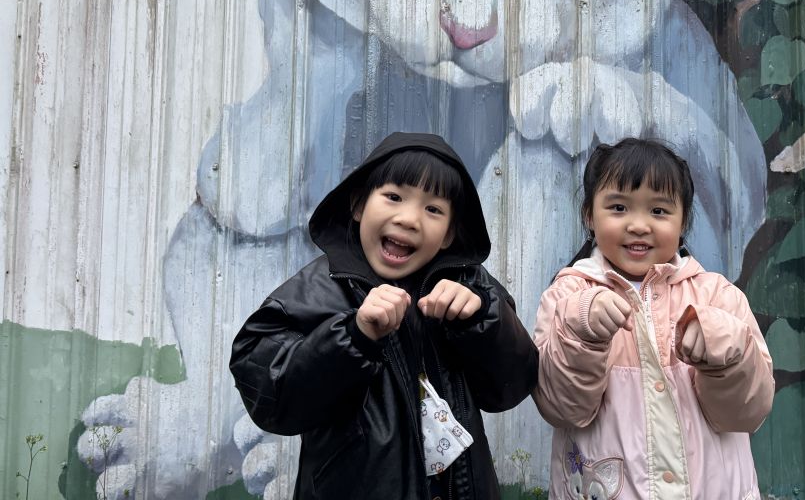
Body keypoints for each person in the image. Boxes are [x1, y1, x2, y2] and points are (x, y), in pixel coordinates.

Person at [230, 132, 538, 499]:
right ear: (358, 205)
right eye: (393, 197)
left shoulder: (470, 286)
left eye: (433, 209)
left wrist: (481, 319)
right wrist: (353, 336)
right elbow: (269, 394)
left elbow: (513, 385)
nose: (409, 219)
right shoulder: (319, 288)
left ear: (448, 235)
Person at [533, 137, 773, 500]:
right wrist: (581, 335)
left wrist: (726, 356)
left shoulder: (719, 296)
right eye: (618, 207)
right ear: (589, 216)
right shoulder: (567, 296)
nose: (639, 225)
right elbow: (561, 409)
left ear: (683, 221)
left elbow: (747, 414)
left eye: (659, 211)